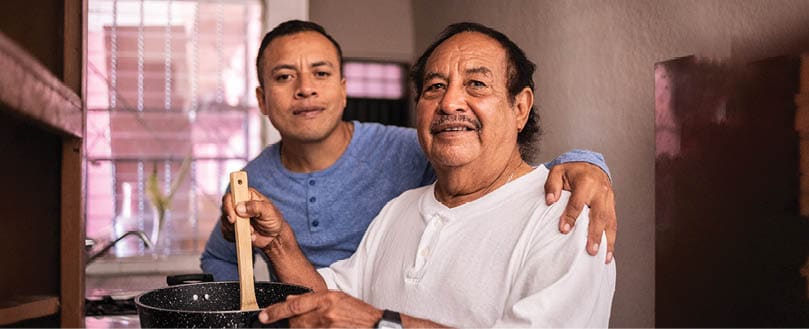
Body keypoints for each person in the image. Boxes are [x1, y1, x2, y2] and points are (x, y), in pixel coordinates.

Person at [230, 22, 616, 328]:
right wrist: (279, 242)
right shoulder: (399, 209)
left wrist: (377, 325)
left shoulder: (568, 218)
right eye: (434, 87)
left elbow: (360, 320)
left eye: (476, 84)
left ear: (520, 107)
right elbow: (328, 305)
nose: (449, 102)